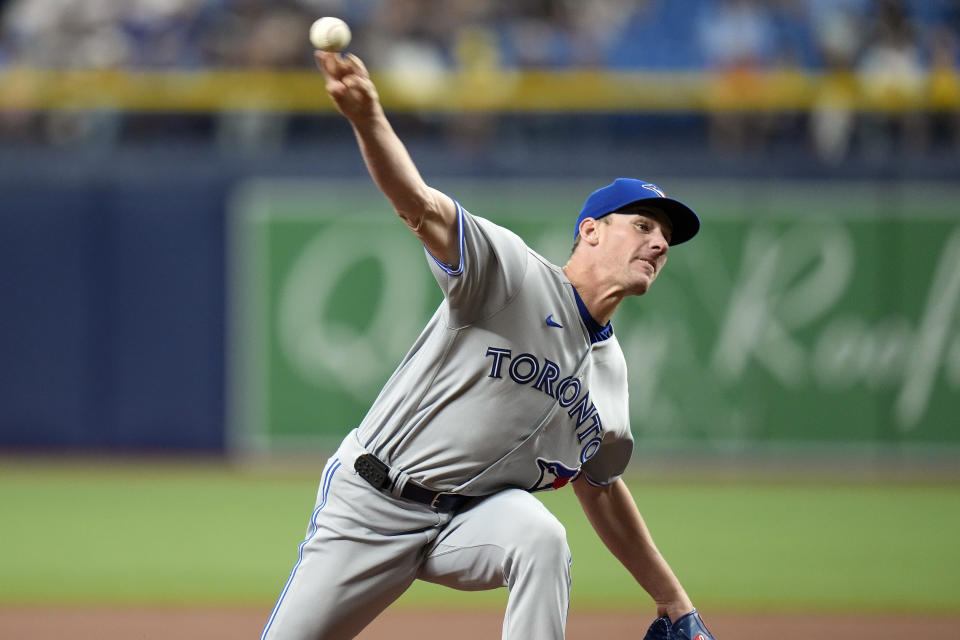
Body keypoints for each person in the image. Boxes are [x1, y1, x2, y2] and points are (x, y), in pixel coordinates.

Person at [260, 50, 716, 640]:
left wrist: (673, 603)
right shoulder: (512, 275)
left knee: (542, 538)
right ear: (591, 230)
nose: (659, 244)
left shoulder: (611, 373)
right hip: (372, 504)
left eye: (667, 238)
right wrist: (369, 121)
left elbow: (599, 487)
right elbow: (418, 204)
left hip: (467, 522)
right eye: (644, 225)